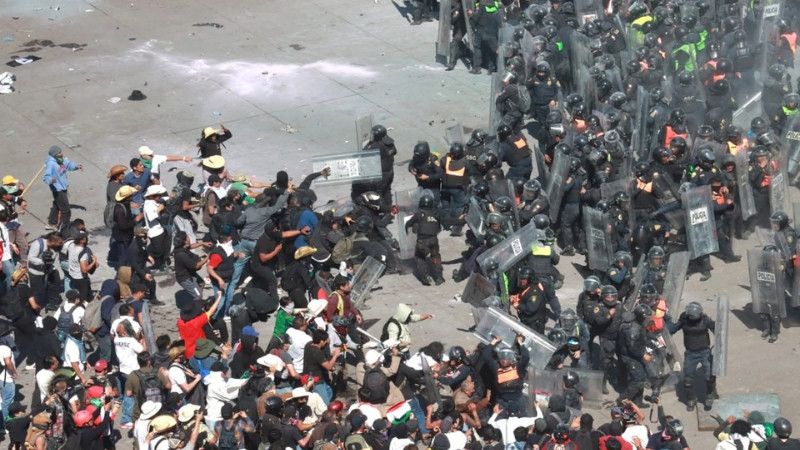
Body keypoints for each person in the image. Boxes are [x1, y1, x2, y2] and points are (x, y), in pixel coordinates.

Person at [668, 301, 716, 411]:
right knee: (688, 380)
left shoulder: (705, 320)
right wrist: (666, 322)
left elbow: (717, 330)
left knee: (710, 376)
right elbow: (673, 329)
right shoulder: (684, 319)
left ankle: (710, 395)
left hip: (704, 352)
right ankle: (691, 399)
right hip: (691, 353)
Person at [43, 145, 83, 231]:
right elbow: (46, 177)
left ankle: (51, 223)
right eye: (59, 153)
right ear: (54, 154)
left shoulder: (60, 160)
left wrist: (76, 166)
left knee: (57, 205)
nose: (61, 153)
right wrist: (51, 180)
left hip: (63, 186)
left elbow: (68, 165)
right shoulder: (51, 164)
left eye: (61, 152)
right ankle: (63, 228)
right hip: (58, 189)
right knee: (66, 210)